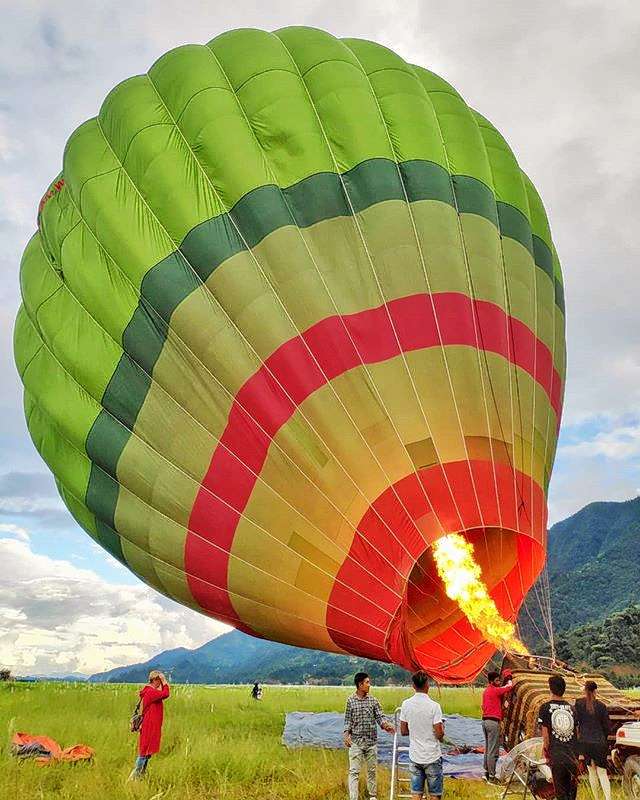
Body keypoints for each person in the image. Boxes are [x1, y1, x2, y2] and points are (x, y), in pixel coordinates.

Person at [343, 672, 395, 800]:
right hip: (356, 742)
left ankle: (372, 797)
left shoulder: (373, 701)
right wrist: (346, 735)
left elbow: (380, 717)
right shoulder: (350, 701)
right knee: (354, 771)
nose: (369, 685)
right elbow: (347, 720)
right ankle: (353, 798)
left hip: (371, 742)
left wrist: (387, 725)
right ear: (360, 685)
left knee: (372, 771)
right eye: (367, 682)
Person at [399, 671, 445, 800]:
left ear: (413, 686)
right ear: (427, 685)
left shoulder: (406, 704)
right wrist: (441, 731)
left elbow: (403, 730)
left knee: (416, 793)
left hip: (415, 755)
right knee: (435, 795)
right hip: (432, 755)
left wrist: (415, 729)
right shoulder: (434, 706)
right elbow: (439, 733)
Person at [537, 675, 578, 800]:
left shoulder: (545, 708)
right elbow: (577, 733)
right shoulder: (572, 709)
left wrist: (546, 753)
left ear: (550, 689)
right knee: (571, 793)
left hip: (557, 755)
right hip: (572, 756)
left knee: (560, 793)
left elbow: (545, 736)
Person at [128, 670, 170, 779]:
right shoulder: (151, 692)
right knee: (143, 753)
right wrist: (165, 681)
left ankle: (141, 776)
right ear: (155, 680)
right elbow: (166, 694)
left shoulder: (150, 691)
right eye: (160, 680)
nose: (161, 683)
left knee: (147, 753)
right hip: (149, 726)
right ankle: (133, 778)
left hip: (151, 726)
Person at [575, 681, 611, 800]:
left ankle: (596, 798)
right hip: (600, 742)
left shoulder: (579, 704)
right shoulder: (602, 706)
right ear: (596, 691)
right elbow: (607, 727)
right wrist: (603, 740)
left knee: (592, 772)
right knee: (602, 773)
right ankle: (608, 798)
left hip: (585, 743)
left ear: (584, 690)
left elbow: (576, 723)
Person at [481, 669, 513, 782]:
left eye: (500, 680)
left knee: (488, 748)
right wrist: (509, 678)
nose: (499, 682)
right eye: (497, 680)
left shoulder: (486, 691)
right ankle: (492, 776)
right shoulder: (494, 690)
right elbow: (509, 687)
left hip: (485, 722)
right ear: (491, 682)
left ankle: (486, 773)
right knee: (493, 750)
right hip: (493, 723)